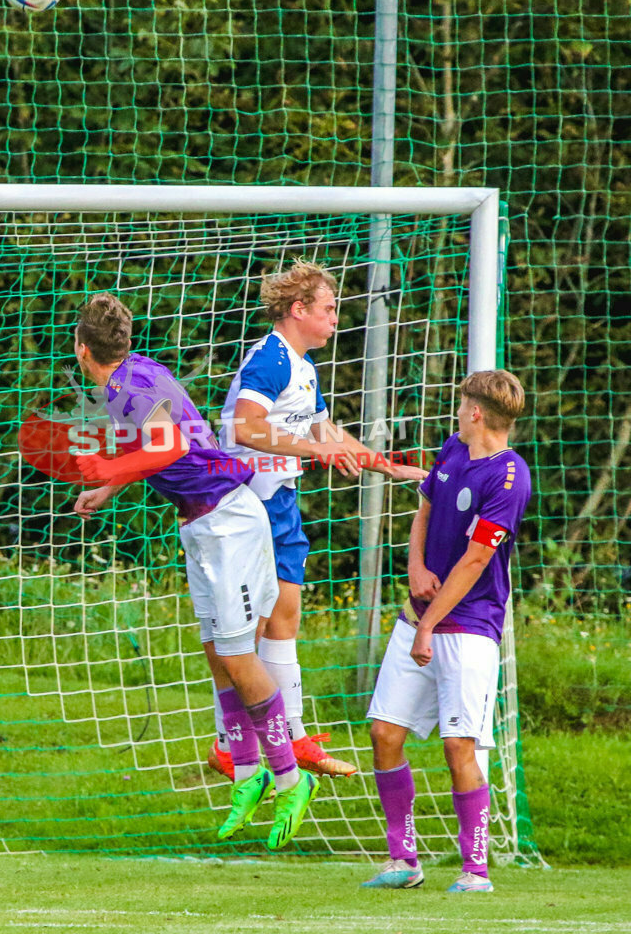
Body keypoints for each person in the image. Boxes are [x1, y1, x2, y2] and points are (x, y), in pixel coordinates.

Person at [71, 293, 319, 851]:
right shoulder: (138, 375)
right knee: (216, 651)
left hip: (228, 519)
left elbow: (170, 445)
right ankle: (249, 770)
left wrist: (109, 466)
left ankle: (289, 777)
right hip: (204, 523)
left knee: (236, 654)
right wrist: (110, 485)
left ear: (82, 350)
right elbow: (167, 449)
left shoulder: (127, 389)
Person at [208, 261, 427, 782]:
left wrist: (388, 466)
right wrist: (312, 448)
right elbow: (244, 426)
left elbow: (325, 431)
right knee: (247, 630)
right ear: (298, 310)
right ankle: (228, 741)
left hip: (278, 502)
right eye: (329, 309)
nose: (335, 318)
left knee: (285, 617)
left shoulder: (303, 368)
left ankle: (296, 735)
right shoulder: (270, 358)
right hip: (243, 503)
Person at [362, 369, 531, 893]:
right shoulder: (453, 450)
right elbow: (425, 509)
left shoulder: (509, 478)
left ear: (476, 411)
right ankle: (402, 861)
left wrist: (428, 626)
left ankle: (474, 870)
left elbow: (477, 559)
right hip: (420, 617)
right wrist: (414, 567)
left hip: (469, 626)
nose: (457, 413)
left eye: (461, 405)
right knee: (384, 732)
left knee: (459, 745)